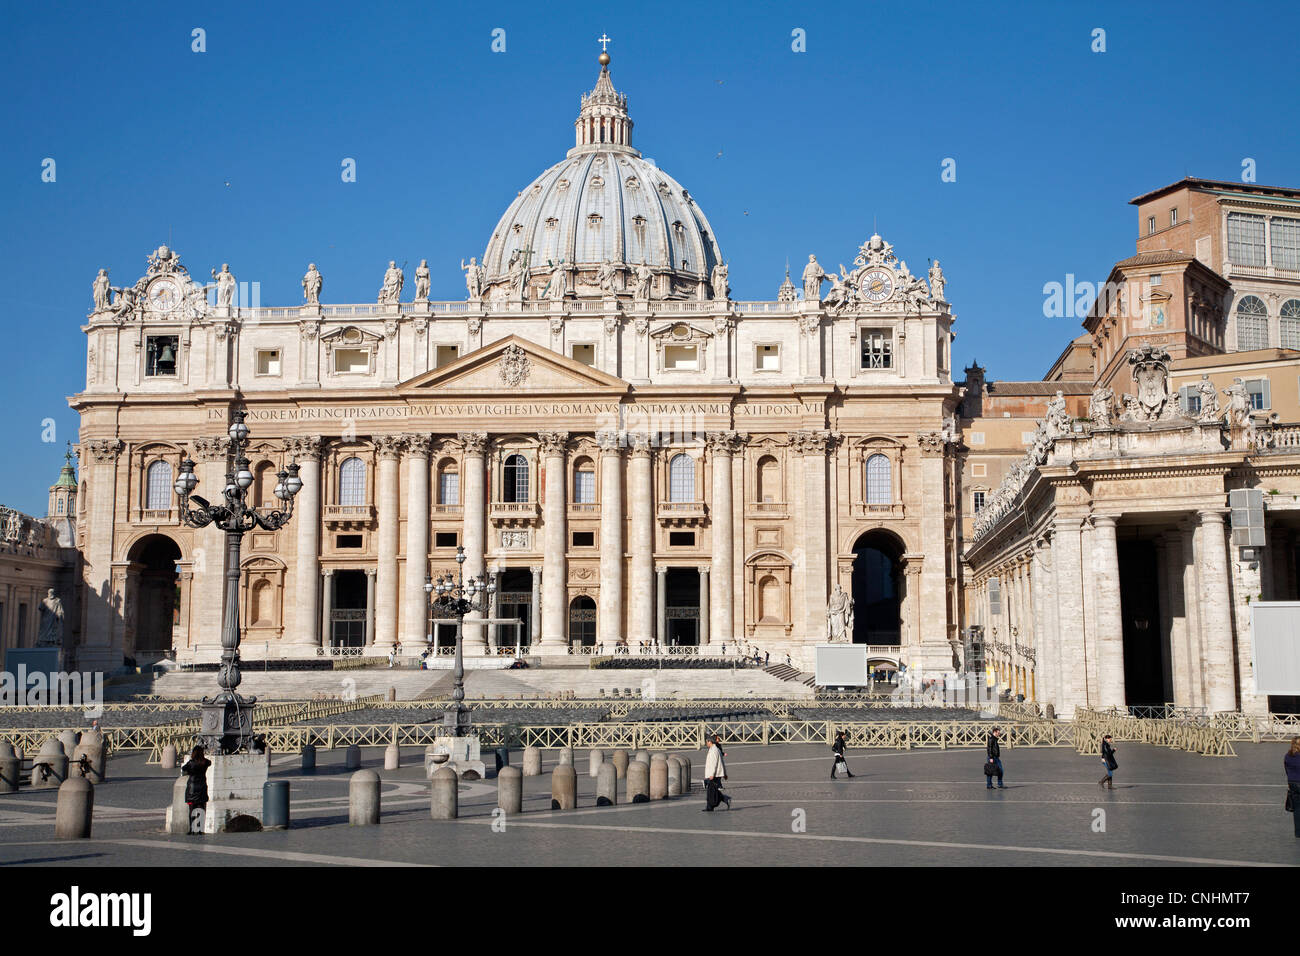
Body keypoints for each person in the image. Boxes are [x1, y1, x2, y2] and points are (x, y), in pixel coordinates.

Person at [181, 746, 211, 835]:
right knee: (201, 808)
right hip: (202, 787)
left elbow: (184, 769)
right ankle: (200, 829)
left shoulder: (191, 763)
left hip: (192, 789)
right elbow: (209, 762)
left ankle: (192, 829)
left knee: (192, 809)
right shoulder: (205, 762)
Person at [703, 734, 731, 811]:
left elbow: (714, 763)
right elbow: (722, 762)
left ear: (710, 742)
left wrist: (712, 774)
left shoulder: (713, 750)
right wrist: (724, 773)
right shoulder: (715, 749)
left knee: (711, 790)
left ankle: (711, 806)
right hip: (716, 773)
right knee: (712, 790)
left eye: (707, 742)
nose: (706, 743)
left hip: (714, 774)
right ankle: (722, 800)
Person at [1286, 736, 1300, 838]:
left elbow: (1287, 769)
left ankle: (1298, 833)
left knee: (1297, 809)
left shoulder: (1288, 756)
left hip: (1292, 783)